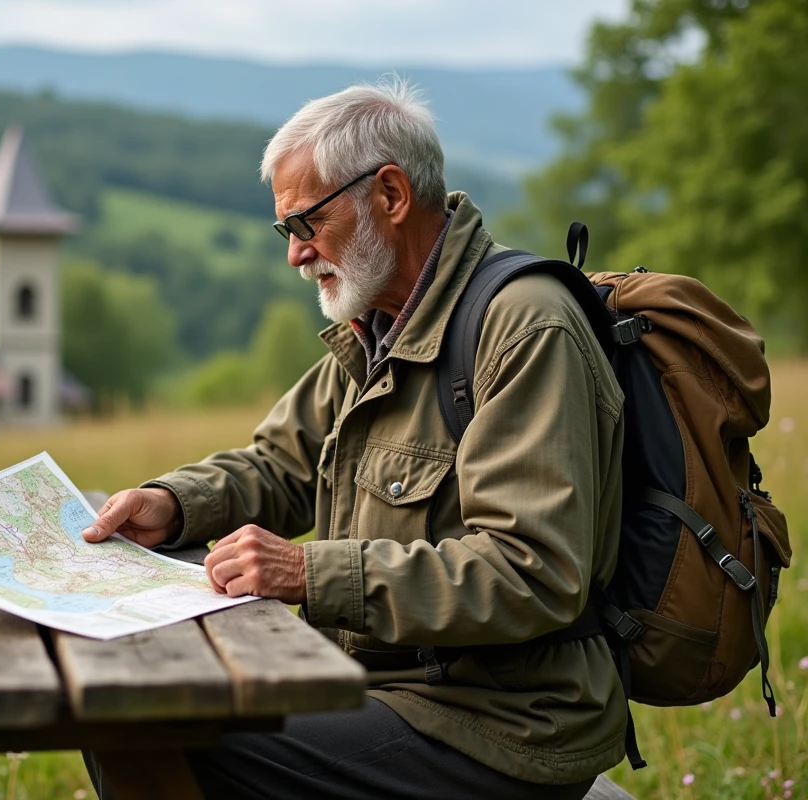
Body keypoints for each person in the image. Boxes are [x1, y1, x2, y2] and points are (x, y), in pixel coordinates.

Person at [81, 79, 627, 799]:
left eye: (304, 224)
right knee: (128, 721)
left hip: (502, 725)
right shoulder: (378, 327)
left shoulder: (524, 328)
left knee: (157, 735)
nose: (295, 255)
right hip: (389, 689)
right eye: (287, 233)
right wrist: (171, 502)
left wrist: (310, 575)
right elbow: (279, 465)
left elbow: (533, 573)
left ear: (391, 196)